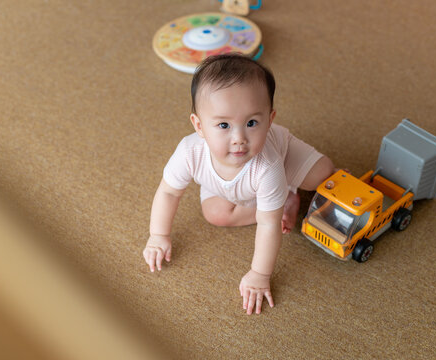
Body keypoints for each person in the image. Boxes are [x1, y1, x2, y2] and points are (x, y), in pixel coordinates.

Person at [143, 54, 334, 315]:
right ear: (199, 126)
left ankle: (285, 195)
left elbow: (269, 225)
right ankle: (285, 199)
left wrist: (259, 274)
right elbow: (167, 192)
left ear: (270, 119)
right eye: (223, 125)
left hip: (284, 157)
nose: (239, 139)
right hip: (226, 187)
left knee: (324, 177)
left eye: (252, 123)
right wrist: (158, 235)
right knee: (215, 215)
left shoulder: (269, 166)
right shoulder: (190, 152)